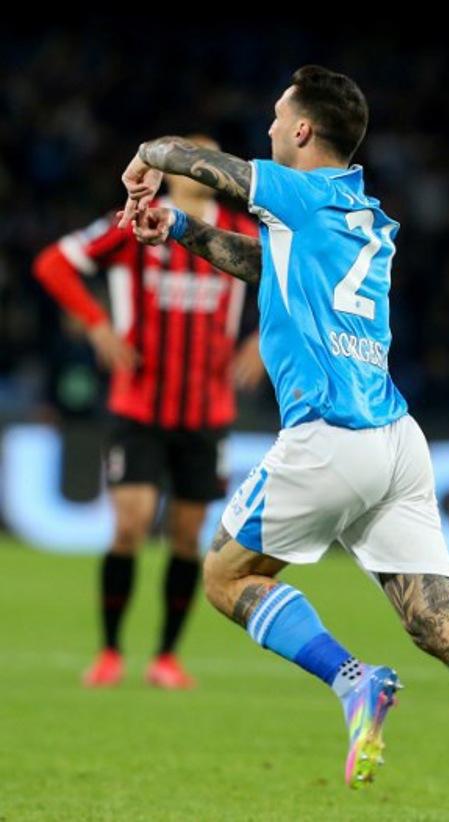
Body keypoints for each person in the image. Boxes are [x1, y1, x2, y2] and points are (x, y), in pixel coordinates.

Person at [119, 66, 449, 817]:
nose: (269, 127)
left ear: (302, 129)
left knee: (225, 578)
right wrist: (184, 230)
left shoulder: (297, 191)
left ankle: (353, 680)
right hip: (397, 441)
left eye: (276, 116)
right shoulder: (366, 216)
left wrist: (146, 157)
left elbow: (201, 163)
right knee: (438, 620)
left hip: (329, 434)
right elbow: (272, 269)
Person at [33, 134, 263, 690]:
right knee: (129, 527)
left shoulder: (245, 234)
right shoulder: (136, 221)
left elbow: (296, 284)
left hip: (206, 410)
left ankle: (165, 657)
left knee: (186, 538)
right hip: (139, 405)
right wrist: (97, 326)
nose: (199, 169)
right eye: (189, 160)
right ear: (171, 170)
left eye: (208, 162)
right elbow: (54, 265)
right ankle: (110, 650)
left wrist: (261, 340)